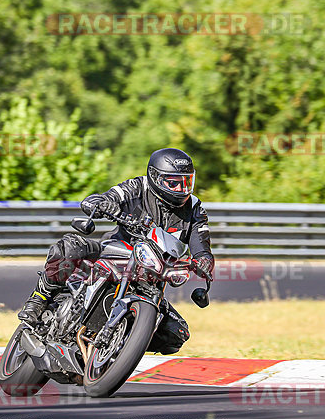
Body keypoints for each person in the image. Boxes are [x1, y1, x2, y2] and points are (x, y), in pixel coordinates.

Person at [17, 147, 215, 354]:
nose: (181, 189)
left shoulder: (195, 208)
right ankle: (39, 298)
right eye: (173, 182)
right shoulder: (138, 186)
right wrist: (103, 204)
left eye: (186, 182)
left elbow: (202, 245)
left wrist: (203, 262)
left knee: (176, 334)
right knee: (70, 247)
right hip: (116, 252)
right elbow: (109, 196)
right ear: (155, 177)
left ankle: (118, 349)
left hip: (152, 277)